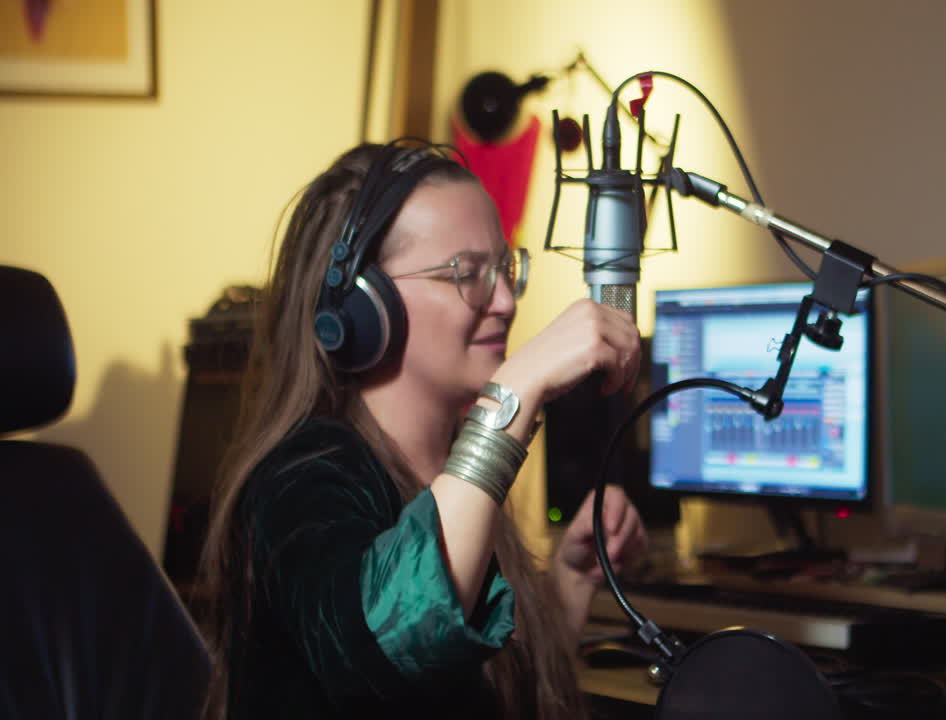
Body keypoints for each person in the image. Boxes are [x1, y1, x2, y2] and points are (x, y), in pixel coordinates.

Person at [198, 139, 649, 720]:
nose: (507, 301)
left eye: (506, 269)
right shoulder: (298, 481)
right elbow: (386, 644)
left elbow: (471, 696)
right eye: (468, 273)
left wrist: (570, 580)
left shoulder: (449, 474)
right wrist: (512, 398)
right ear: (365, 305)